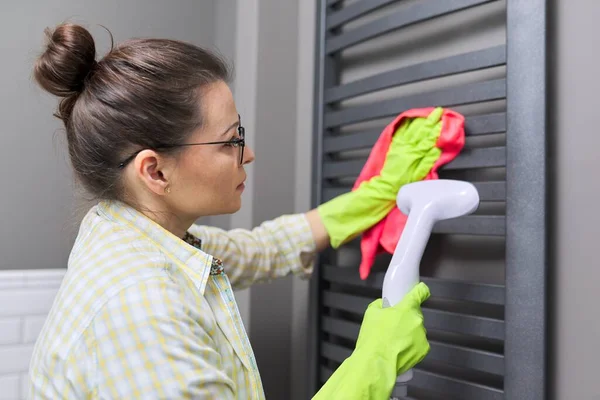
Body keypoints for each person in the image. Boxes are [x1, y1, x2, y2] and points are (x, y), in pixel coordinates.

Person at [28, 22, 433, 400]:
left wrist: (376, 195)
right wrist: (374, 362)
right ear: (155, 170)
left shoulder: (127, 231)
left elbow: (262, 249)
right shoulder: (141, 305)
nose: (249, 154)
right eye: (229, 141)